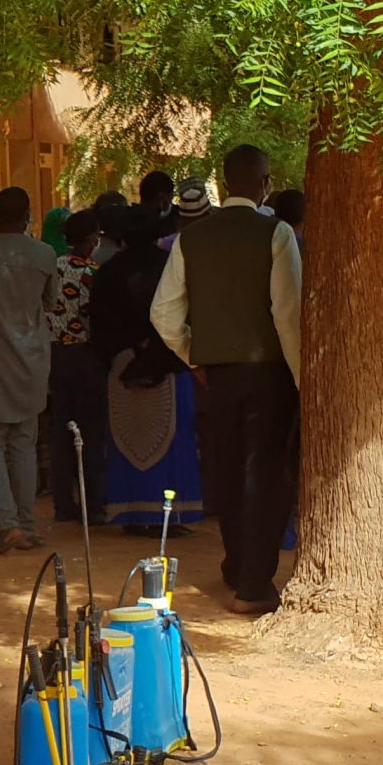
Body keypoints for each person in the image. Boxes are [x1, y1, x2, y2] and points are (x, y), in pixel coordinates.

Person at [150, 145, 303, 612]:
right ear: (265, 182)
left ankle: (237, 564)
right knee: (267, 474)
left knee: (230, 470)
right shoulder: (275, 232)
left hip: (216, 374)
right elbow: (287, 313)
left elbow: (163, 312)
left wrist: (194, 355)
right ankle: (253, 584)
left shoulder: (192, 238)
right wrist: (303, 378)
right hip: (270, 372)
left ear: (224, 179)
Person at [90, 202, 203, 535]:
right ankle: (168, 516)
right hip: (168, 361)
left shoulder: (108, 271)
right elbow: (184, 312)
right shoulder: (170, 265)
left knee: (126, 440)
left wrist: (125, 349)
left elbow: (97, 321)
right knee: (173, 442)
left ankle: (131, 515)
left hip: (121, 363)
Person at [0, 186, 62, 554]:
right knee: (23, 445)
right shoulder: (44, 254)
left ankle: (7, 524)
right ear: (28, 217)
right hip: (30, 362)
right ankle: (27, 524)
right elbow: (50, 303)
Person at [46, 209, 109, 523]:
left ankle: (62, 504)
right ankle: (94, 504)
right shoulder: (93, 273)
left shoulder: (52, 268)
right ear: (90, 239)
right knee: (91, 432)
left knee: (60, 429)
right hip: (86, 356)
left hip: (56, 356)